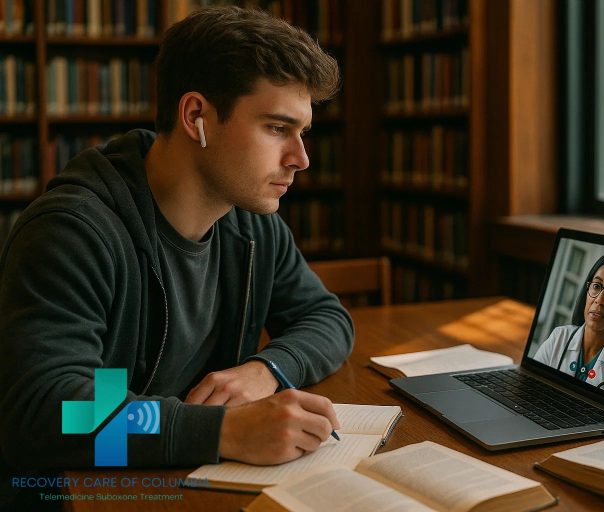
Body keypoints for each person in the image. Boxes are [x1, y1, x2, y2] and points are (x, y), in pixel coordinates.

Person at [0, 5, 353, 502]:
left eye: (302, 132)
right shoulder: (73, 232)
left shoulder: (251, 222)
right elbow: (46, 410)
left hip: (185, 484)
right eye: (277, 128)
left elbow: (326, 316)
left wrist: (267, 370)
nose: (300, 158)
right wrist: (221, 430)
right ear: (196, 117)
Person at [533, 253, 604, 406]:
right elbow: (530, 391)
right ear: (587, 290)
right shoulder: (559, 337)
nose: (600, 300)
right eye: (596, 286)